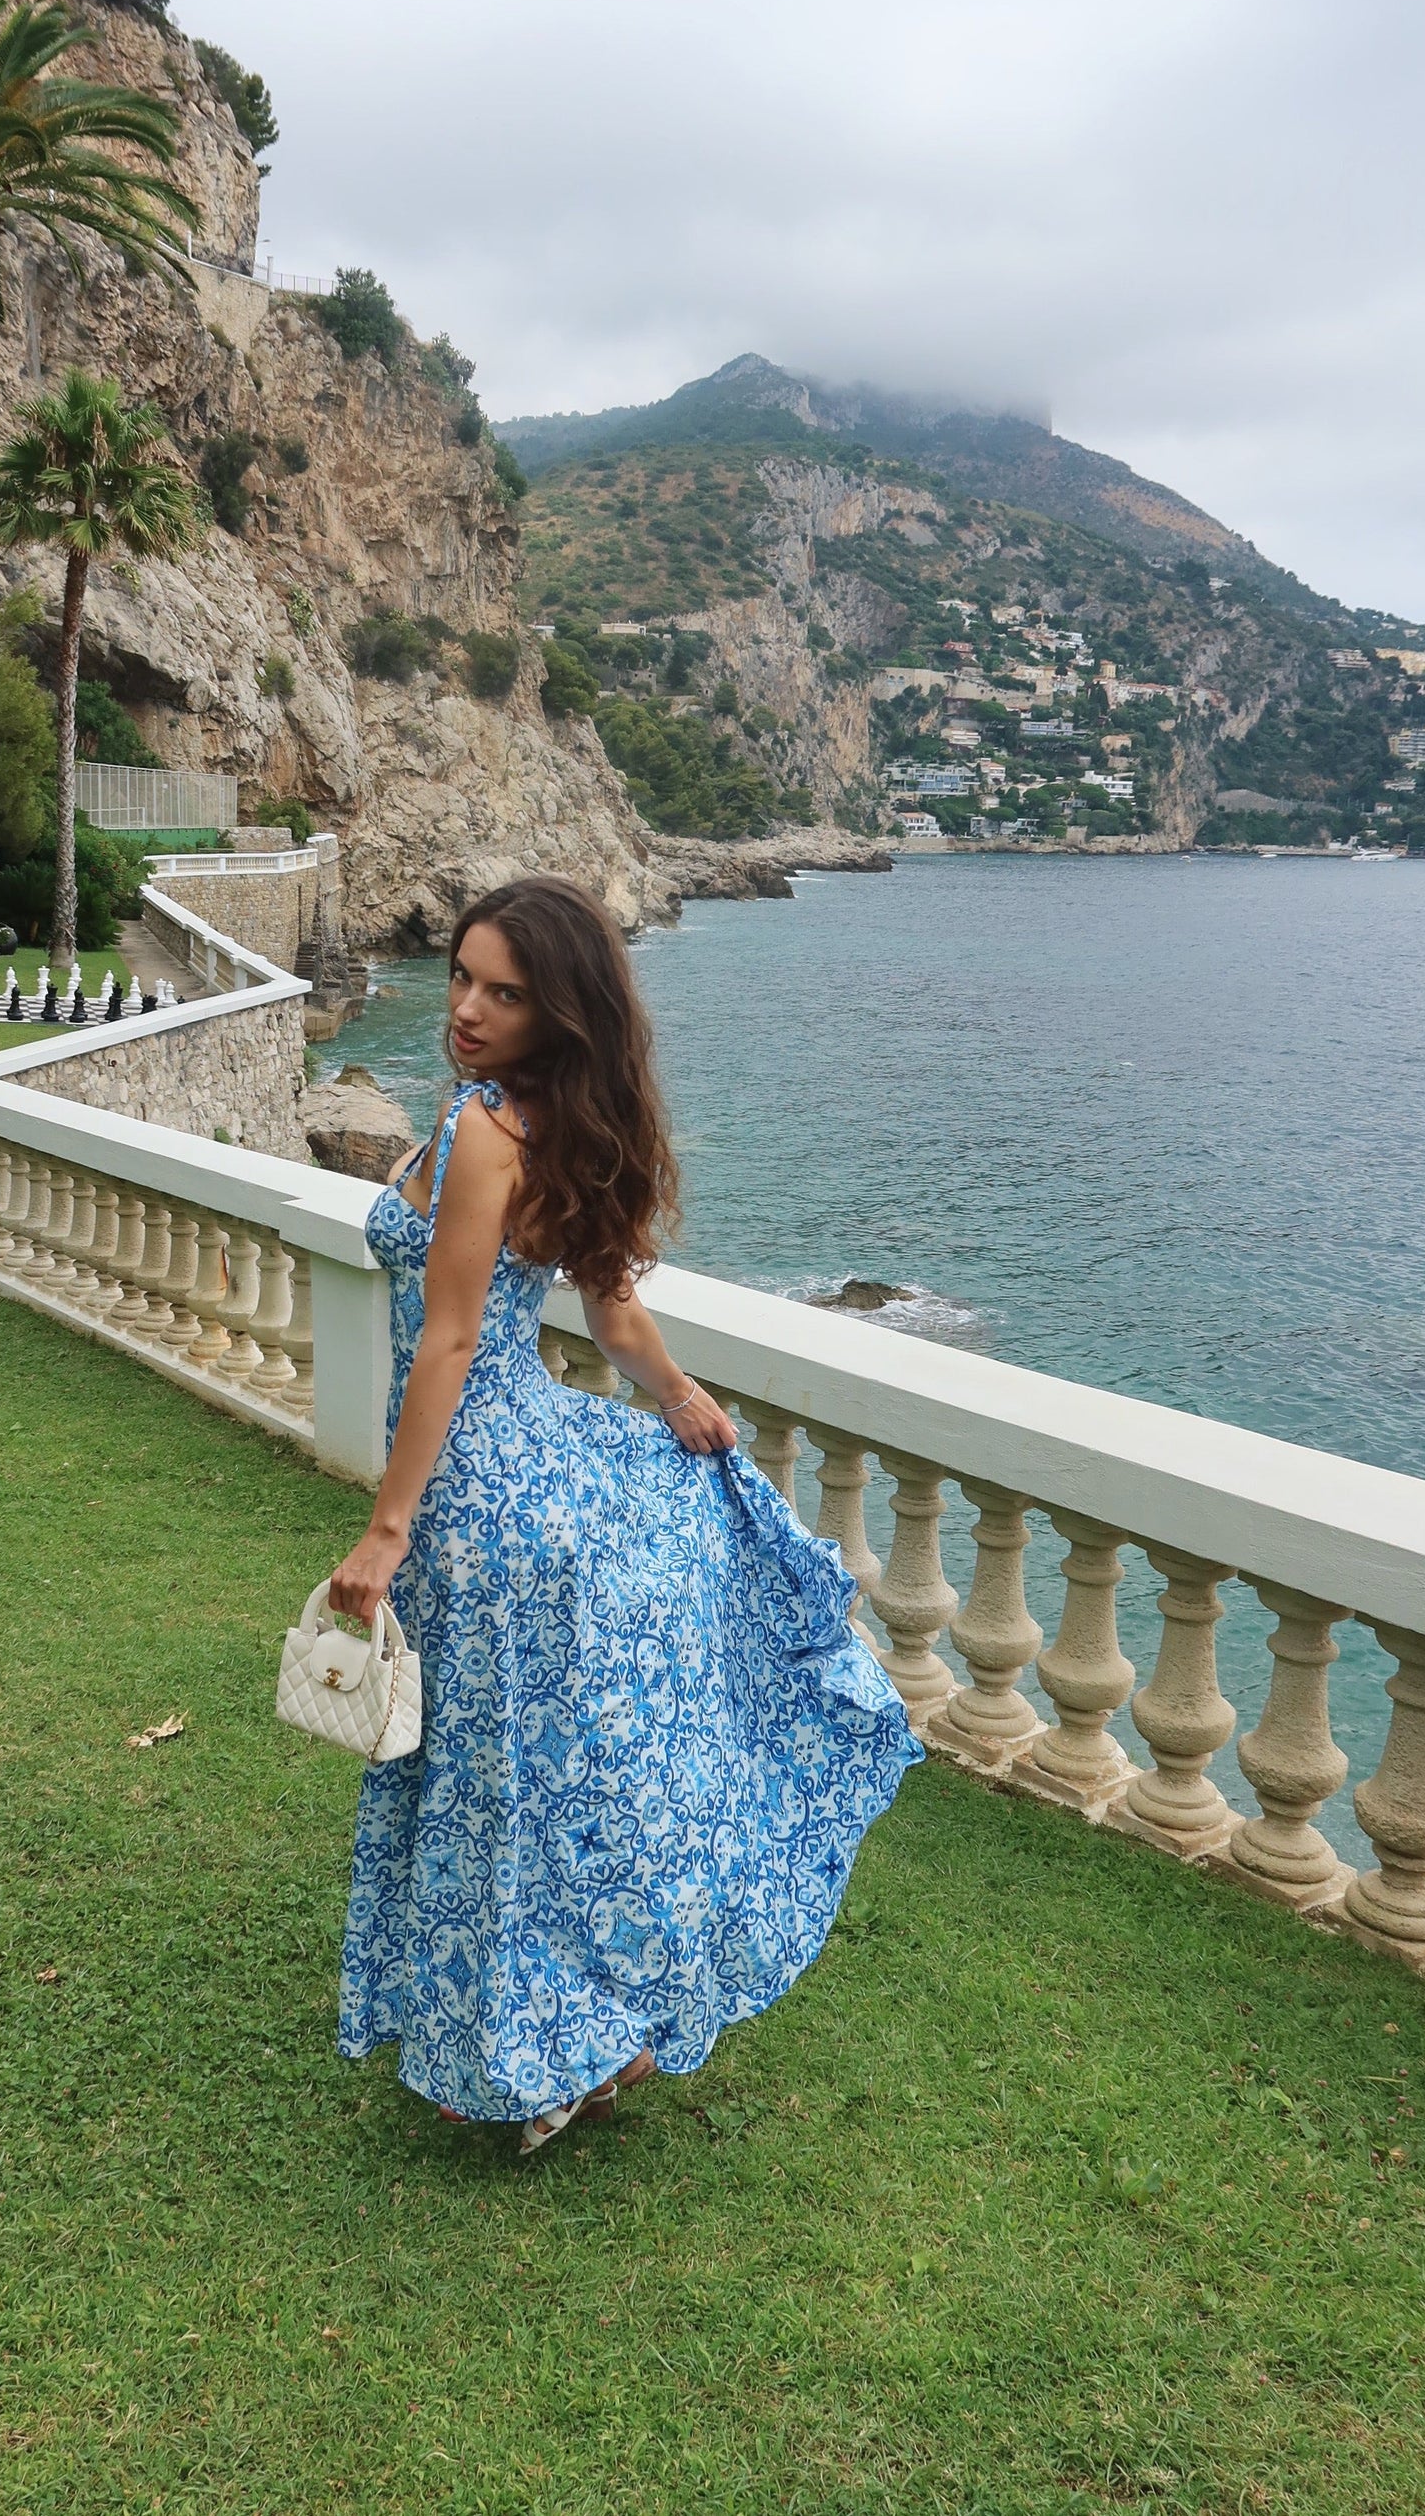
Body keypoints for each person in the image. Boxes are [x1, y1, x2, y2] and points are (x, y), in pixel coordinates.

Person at [326, 873, 919, 2152]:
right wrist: (678, 1394)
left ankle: (544, 2047)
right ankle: (562, 2033)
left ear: (560, 1012)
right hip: (523, 1457)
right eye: (463, 979)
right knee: (531, 1779)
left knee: (495, 1785)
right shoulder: (541, 1117)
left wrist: (387, 1526)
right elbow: (608, 1308)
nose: (468, 1010)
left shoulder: (491, 1123)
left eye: (505, 992)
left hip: (478, 1490)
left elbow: (446, 1341)